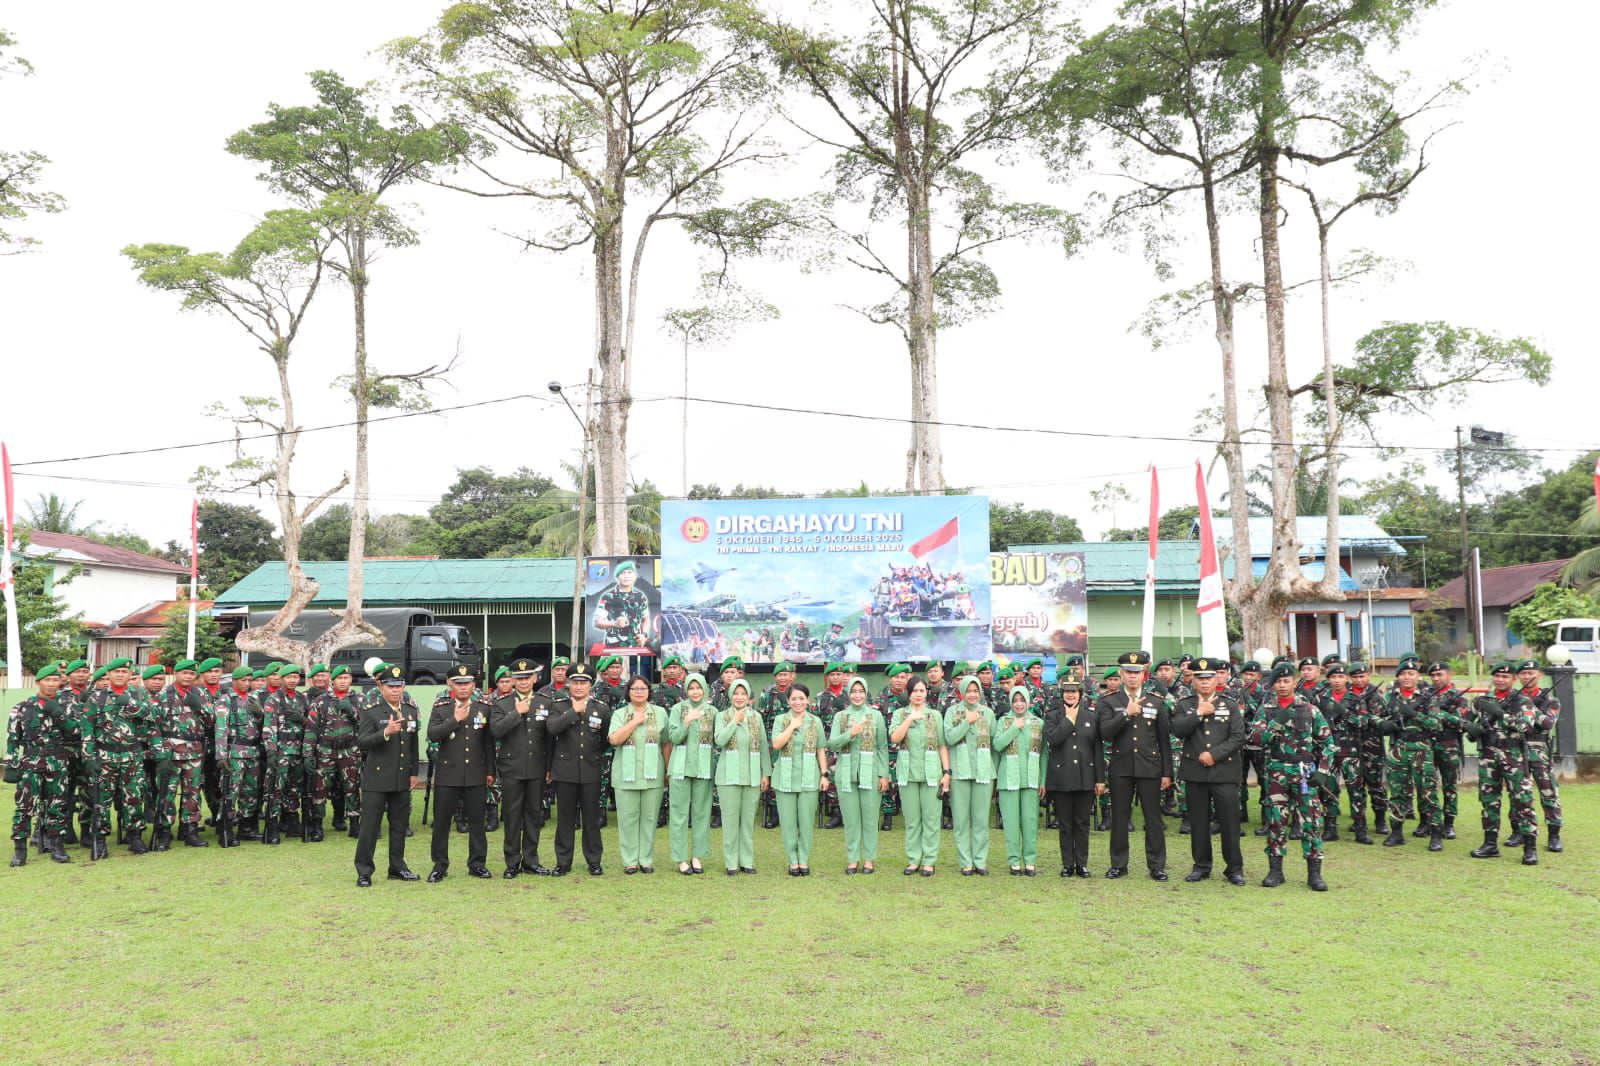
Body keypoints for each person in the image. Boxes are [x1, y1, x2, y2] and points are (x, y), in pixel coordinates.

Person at [1170, 657, 1246, 885]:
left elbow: (1238, 737)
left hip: (1224, 772)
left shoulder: (1230, 704)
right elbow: (1177, 730)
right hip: (1195, 773)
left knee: (1229, 823)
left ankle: (1234, 868)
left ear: (1217, 679)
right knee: (1199, 823)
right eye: (1200, 678)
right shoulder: (1185, 704)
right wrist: (1199, 713)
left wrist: (1215, 754)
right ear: (1193, 680)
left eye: (1209, 678)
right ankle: (1201, 866)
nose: (1204, 682)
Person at [1258, 664, 1335, 891]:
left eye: (1286, 681)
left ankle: (1314, 874)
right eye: (1278, 682)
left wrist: (1322, 771)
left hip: (1304, 774)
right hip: (1276, 774)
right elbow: (1256, 739)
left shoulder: (1310, 709)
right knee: (1276, 822)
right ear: (1273, 684)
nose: (1282, 686)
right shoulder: (1267, 709)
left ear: (1294, 682)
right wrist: (1276, 723)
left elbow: (1328, 744)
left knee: (1311, 822)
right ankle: (1275, 871)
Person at [1097, 651, 1171, 881]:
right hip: (1121, 768)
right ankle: (1119, 864)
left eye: (1136, 673)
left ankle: (1157, 866)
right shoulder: (1109, 701)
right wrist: (1125, 715)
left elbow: (1164, 741)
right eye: (1128, 672)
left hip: (1150, 768)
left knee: (1153, 819)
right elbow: (1104, 733)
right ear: (1120, 674)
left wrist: (1167, 773)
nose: (1132, 677)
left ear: (1143, 675)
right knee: (1120, 818)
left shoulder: (1155, 702)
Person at [1465, 663, 1540, 865]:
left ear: (1513, 679)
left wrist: (1500, 714)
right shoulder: (1482, 700)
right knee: (1489, 800)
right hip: (1488, 754)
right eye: (1497, 676)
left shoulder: (1523, 700)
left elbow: (1526, 726)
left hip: (1513, 755)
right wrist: (1472, 728)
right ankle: (1490, 844)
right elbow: (1465, 718)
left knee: (1522, 801)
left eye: (1505, 677)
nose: (1500, 680)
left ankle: (1530, 848)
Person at [353, 664, 421, 887]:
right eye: (390, 686)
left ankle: (397, 867)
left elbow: (413, 744)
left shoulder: (410, 710)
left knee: (399, 827)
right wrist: (385, 733)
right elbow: (362, 742)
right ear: (381, 686)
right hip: (377, 779)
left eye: (399, 685)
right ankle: (364, 871)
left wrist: (413, 772)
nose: (395, 690)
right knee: (370, 828)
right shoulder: (371, 710)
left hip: (401, 778)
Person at [425, 667, 494, 882]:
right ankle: (439, 865)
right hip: (448, 774)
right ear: (450, 684)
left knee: (477, 822)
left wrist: (490, 771)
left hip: (476, 773)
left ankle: (477, 864)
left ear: (474, 684)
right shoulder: (442, 707)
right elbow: (432, 734)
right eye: (458, 682)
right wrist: (454, 719)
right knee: (442, 822)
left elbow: (489, 743)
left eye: (467, 682)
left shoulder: (484, 707)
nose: (463, 686)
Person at [79, 658, 152, 858]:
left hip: (131, 755)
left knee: (134, 797)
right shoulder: (96, 698)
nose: (120, 674)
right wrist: (88, 757)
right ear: (108, 675)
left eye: (124, 671)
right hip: (105, 756)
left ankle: (135, 835)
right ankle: (100, 839)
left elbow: (151, 715)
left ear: (130, 675)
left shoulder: (139, 695)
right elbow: (87, 729)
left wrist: (130, 703)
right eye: (116, 671)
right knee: (101, 799)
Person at [490, 658, 553, 878]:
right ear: (513, 680)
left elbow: (550, 738)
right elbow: (496, 731)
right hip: (512, 768)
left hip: (537, 767)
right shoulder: (502, 703)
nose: (524, 682)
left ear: (535, 678)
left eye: (527, 677)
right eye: (519, 678)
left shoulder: (546, 702)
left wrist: (549, 766)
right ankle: (512, 863)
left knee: (534, 816)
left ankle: (531, 860)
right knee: (512, 816)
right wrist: (517, 713)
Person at [7, 665, 74, 865]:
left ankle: (57, 846)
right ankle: (20, 850)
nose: (52, 684)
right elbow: (13, 738)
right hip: (31, 762)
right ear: (38, 682)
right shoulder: (22, 707)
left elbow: (76, 731)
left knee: (57, 805)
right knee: (25, 806)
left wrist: (59, 715)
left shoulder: (68, 706)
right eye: (47, 680)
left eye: (55, 680)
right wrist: (12, 764)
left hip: (57, 761)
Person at [547, 664, 609, 876]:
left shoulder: (601, 708)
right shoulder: (559, 706)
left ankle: (594, 861)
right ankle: (563, 862)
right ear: (569, 684)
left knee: (591, 819)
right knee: (565, 819)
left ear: (591, 685)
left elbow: (604, 740)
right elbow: (552, 728)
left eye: (584, 682)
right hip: (565, 771)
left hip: (591, 770)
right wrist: (574, 711)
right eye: (575, 682)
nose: (579, 686)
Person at [1378, 657, 1442, 851]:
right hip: (1398, 748)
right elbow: (1376, 717)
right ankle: (1396, 832)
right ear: (1398, 676)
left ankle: (1436, 834)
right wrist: (1384, 724)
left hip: (1422, 748)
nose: (1407, 677)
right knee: (1397, 792)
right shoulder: (1389, 698)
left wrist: (1415, 715)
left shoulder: (1427, 697)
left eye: (1411, 673)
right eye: (1403, 674)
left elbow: (1437, 724)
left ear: (1418, 676)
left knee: (1428, 792)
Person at [608, 675, 669, 875]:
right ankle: (630, 861)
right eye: (635, 689)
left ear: (649, 691)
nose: (639, 692)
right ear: (629, 692)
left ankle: (646, 859)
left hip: (653, 775)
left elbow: (666, 743)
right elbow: (614, 739)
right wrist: (634, 722)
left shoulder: (660, 713)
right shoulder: (619, 714)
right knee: (627, 820)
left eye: (643, 688)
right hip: (626, 776)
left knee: (650, 819)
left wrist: (667, 769)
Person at [828, 676, 889, 874]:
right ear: (848, 693)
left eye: (861, 691)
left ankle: (869, 859)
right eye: (853, 691)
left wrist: (883, 774)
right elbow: (833, 744)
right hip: (845, 773)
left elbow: (882, 747)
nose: (857, 695)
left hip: (870, 773)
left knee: (870, 819)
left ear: (866, 693)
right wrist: (851, 733)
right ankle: (853, 859)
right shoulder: (841, 717)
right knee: (851, 820)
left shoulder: (875, 716)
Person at [889, 676, 949, 876]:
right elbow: (895, 739)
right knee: (912, 820)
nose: (918, 694)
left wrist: (947, 772)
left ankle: (929, 861)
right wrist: (908, 720)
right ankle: (914, 859)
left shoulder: (935, 715)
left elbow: (942, 745)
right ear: (909, 693)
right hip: (908, 773)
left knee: (931, 819)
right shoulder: (900, 714)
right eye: (914, 691)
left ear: (926, 693)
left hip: (932, 773)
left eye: (921, 691)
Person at [1044, 674, 1101, 879]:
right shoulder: (1053, 716)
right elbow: (1053, 739)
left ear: (1080, 694)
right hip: (1062, 778)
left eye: (1074, 691)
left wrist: (1100, 779)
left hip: (1086, 777)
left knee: (1082, 823)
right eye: (1067, 691)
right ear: (1062, 694)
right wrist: (1068, 719)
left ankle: (1082, 864)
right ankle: (1068, 864)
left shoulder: (1091, 716)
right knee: (1065, 824)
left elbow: (1097, 748)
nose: (1070, 695)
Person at [154, 659, 214, 850]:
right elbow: (154, 724)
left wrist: (199, 706)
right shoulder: (165, 694)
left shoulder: (201, 693)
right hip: (171, 750)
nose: (188, 677)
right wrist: (160, 751)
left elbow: (212, 721)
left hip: (195, 750)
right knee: (167, 793)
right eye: (184, 673)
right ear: (176, 674)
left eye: (191, 674)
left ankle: (190, 829)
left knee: (193, 792)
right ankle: (164, 831)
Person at [770, 683, 829, 876]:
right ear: (788, 701)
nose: (798, 702)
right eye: (794, 698)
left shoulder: (815, 721)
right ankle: (792, 860)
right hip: (785, 777)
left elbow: (820, 748)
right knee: (787, 823)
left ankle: (803, 859)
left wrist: (824, 773)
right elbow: (777, 744)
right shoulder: (781, 719)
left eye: (801, 698)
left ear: (808, 700)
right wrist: (792, 726)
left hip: (809, 776)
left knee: (806, 822)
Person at [714, 678, 770, 874]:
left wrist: (766, 773)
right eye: (736, 693)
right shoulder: (722, 716)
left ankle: (747, 861)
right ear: (731, 696)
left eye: (743, 693)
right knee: (730, 821)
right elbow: (719, 740)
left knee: (747, 821)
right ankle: (731, 863)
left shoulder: (756, 717)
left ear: (748, 696)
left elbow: (763, 745)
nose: (739, 697)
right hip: (728, 776)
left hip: (753, 775)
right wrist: (734, 722)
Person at [944, 674, 996, 876]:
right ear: (962, 691)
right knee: (961, 820)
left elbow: (994, 742)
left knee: (981, 819)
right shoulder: (952, 712)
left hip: (983, 772)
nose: (972, 695)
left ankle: (980, 861)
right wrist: (966, 721)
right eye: (969, 691)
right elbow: (949, 738)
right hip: (960, 772)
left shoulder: (988, 713)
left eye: (976, 691)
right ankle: (965, 861)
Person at [665, 673, 717, 875]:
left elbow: (718, 739)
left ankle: (697, 856)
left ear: (705, 689)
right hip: (680, 768)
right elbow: (674, 738)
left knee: (702, 814)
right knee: (678, 814)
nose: (695, 692)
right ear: (686, 690)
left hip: (704, 768)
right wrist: (686, 722)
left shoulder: (713, 711)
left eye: (699, 688)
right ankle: (680, 858)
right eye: (691, 688)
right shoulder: (678, 709)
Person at [994, 686, 1046, 876]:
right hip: (1008, 779)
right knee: (1011, 823)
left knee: (1030, 821)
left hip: (1031, 779)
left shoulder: (1038, 723)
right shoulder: (1003, 721)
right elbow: (998, 745)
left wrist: (1043, 780)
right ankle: (1014, 861)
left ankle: (1030, 861)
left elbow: (1044, 755)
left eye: (1022, 700)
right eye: (1015, 700)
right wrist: (1014, 728)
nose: (1018, 704)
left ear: (1028, 701)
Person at [1516, 659, 1564, 853]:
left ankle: (1554, 834)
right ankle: (1519, 831)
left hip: (1539, 750)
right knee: (1518, 793)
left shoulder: (1550, 700)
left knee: (1548, 792)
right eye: (1524, 673)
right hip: (1516, 749)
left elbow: (1547, 723)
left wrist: (1531, 707)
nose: (1527, 676)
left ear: (1540, 675)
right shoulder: (1514, 698)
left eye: (1531, 673)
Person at [212, 666, 263, 847]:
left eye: (250, 680)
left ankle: (246, 827)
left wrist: (260, 713)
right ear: (234, 681)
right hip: (234, 752)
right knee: (230, 792)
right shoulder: (225, 701)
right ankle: (225, 829)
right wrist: (221, 755)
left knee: (250, 792)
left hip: (253, 752)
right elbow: (220, 729)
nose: (247, 683)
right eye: (243, 680)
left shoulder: (254, 699)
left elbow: (262, 727)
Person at [308, 666, 361, 840]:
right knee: (320, 789)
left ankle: (355, 824)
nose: (343, 681)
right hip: (326, 751)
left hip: (350, 751)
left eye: (346, 678)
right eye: (340, 678)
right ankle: (317, 826)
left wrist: (352, 711)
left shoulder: (360, 699)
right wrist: (308, 753)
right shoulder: (321, 701)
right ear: (333, 680)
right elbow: (311, 728)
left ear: (351, 680)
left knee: (352, 787)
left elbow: (367, 725)